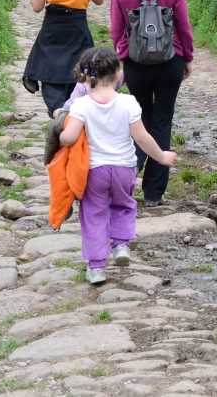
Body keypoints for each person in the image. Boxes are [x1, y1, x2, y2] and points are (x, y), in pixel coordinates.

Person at [57, 47, 177, 285]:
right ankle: (121, 245)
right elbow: (142, 138)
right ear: (118, 75)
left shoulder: (81, 105)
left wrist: (60, 137)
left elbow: (69, 137)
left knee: (93, 214)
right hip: (124, 168)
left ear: (85, 76)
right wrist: (162, 157)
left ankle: (97, 267)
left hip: (94, 171)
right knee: (123, 205)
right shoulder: (129, 102)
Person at [109, 0, 194, 207]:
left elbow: (116, 28)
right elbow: (183, 23)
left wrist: (123, 55)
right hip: (171, 59)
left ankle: (129, 173)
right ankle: (155, 193)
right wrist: (187, 57)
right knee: (163, 119)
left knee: (139, 118)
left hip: (136, 63)